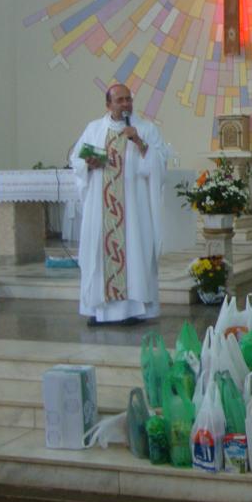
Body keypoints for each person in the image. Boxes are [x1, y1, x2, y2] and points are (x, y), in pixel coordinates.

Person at [70, 84, 167, 326]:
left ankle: (133, 309)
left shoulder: (145, 129)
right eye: (120, 100)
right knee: (99, 255)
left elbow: (158, 165)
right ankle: (99, 309)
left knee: (134, 253)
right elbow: (77, 161)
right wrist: (88, 164)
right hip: (100, 209)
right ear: (108, 105)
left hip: (134, 210)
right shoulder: (94, 129)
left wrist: (140, 143)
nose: (126, 104)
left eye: (128, 99)